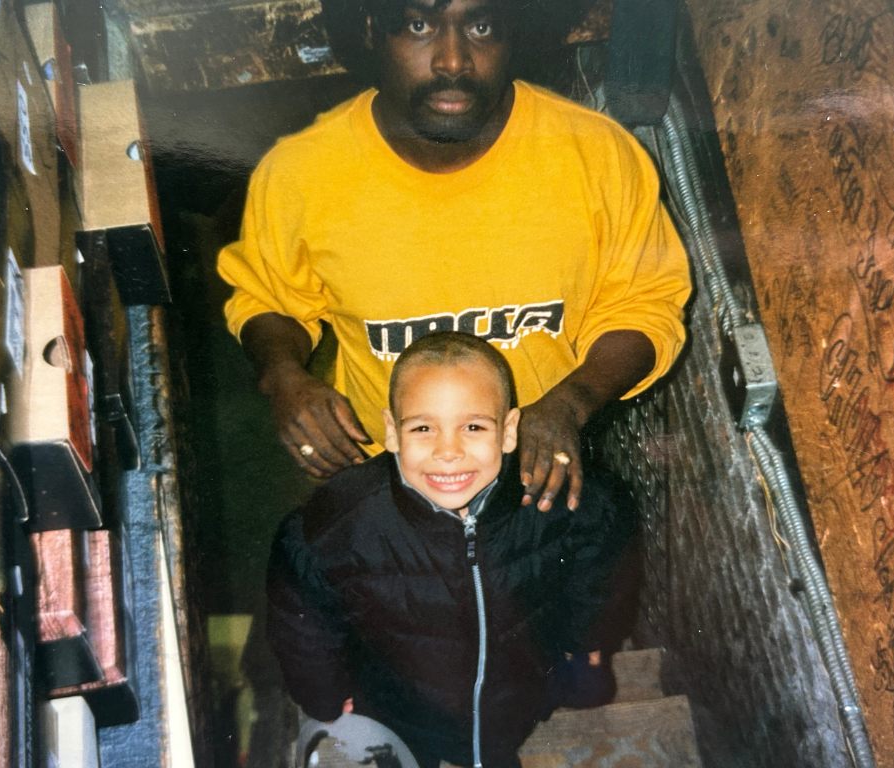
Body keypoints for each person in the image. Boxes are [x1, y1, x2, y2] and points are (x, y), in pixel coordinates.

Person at [216, 0, 692, 512]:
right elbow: (269, 295)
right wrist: (284, 377)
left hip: (538, 469)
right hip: (389, 470)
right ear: (374, 28)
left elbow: (645, 303)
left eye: (482, 26)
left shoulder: (596, 154)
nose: (453, 61)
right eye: (419, 25)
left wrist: (570, 405)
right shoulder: (300, 173)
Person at [267, 332, 629, 768]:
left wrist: (585, 644)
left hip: (514, 703)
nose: (448, 452)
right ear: (391, 432)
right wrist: (321, 695)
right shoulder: (330, 530)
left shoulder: (566, 500)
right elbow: (302, 624)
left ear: (510, 431)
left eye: (473, 427)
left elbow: (597, 567)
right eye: (423, 428)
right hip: (399, 713)